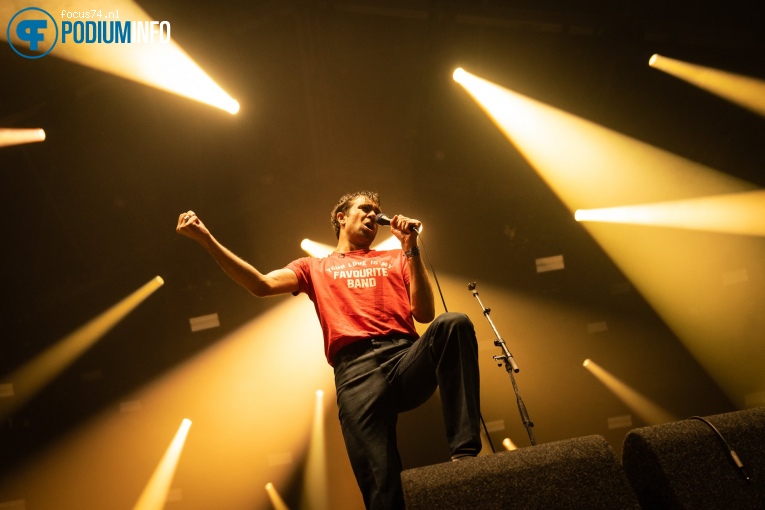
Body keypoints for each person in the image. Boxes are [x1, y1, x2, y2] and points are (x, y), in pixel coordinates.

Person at [176, 191, 482, 509]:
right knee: (382, 487)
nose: (374, 216)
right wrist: (206, 238)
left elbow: (425, 314)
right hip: (355, 372)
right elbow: (261, 285)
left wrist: (410, 249)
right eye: (365, 209)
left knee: (453, 323)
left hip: (403, 356)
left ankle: (464, 455)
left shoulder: (396, 258)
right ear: (341, 217)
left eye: (377, 211)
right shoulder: (313, 266)